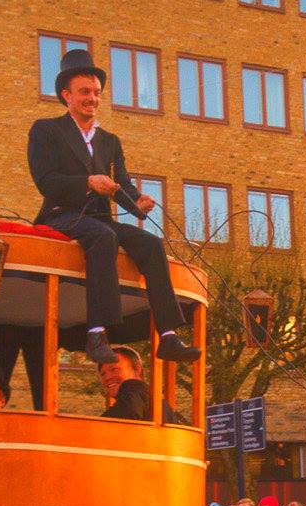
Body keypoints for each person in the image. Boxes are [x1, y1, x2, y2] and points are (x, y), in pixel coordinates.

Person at [26, 48, 200, 366]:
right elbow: (46, 180)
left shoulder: (110, 141)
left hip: (99, 218)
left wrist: (138, 204)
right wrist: (88, 182)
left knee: (149, 243)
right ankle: (96, 333)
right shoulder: (46, 130)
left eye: (96, 93)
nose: (91, 98)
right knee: (103, 237)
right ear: (66, 95)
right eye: (84, 92)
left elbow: (122, 184)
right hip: (60, 216)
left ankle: (169, 335)